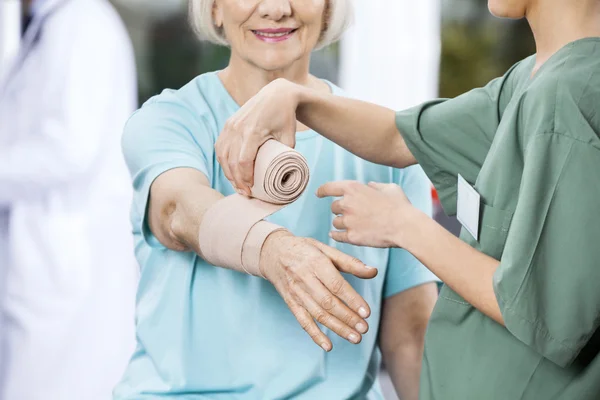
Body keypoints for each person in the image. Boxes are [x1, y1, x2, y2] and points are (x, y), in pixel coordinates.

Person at [216, 0, 600, 399]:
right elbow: (398, 137)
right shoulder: (531, 79)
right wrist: (293, 97)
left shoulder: (570, 94)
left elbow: (548, 316)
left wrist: (404, 225)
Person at [114, 0, 440, 399]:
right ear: (215, 9)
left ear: (327, 9)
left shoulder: (386, 147)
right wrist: (272, 250)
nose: (274, 8)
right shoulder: (170, 120)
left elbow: (409, 337)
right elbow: (176, 210)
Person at [0, 0, 138, 398]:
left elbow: (70, 150)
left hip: (68, 266)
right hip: (48, 261)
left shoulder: (83, 24)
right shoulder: (52, 24)